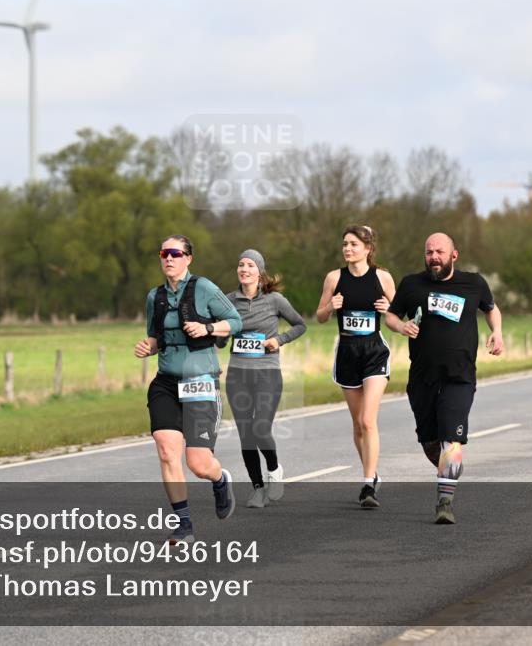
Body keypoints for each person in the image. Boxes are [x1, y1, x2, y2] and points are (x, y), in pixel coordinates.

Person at [384, 232, 503, 525]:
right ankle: (447, 472)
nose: (433, 257)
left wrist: (496, 332)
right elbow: (390, 315)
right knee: (429, 441)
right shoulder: (411, 284)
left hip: (459, 375)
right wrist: (402, 327)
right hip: (422, 376)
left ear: (454, 255)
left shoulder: (473, 283)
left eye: (439, 252)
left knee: (452, 438)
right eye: (428, 252)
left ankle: (444, 501)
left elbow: (490, 308)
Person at [134, 235, 242, 543]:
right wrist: (148, 347)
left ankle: (220, 480)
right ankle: (184, 525)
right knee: (168, 452)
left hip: (200, 381)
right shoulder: (154, 296)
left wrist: (208, 328)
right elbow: (157, 338)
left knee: (198, 463)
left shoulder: (204, 288)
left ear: (188, 258)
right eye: (164, 253)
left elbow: (234, 322)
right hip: (166, 382)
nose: (168, 258)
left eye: (175, 253)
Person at [217, 249, 306, 508]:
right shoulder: (228, 301)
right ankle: (257, 488)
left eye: (250, 265)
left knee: (261, 428)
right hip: (237, 374)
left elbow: (300, 325)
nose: (244, 269)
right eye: (240, 264)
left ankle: (274, 469)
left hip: (267, 372)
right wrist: (219, 333)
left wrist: (278, 340)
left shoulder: (275, 300)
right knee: (246, 432)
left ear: (259, 271)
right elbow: (222, 341)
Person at [315, 225, 396, 509]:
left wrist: (389, 311)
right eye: (345, 244)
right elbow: (320, 316)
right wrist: (331, 308)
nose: (347, 249)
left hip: (374, 351)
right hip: (348, 353)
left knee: (367, 420)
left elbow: (397, 317)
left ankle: (367, 484)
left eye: (353, 244)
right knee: (357, 425)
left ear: (368, 248)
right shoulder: (334, 278)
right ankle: (372, 474)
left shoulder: (383, 278)